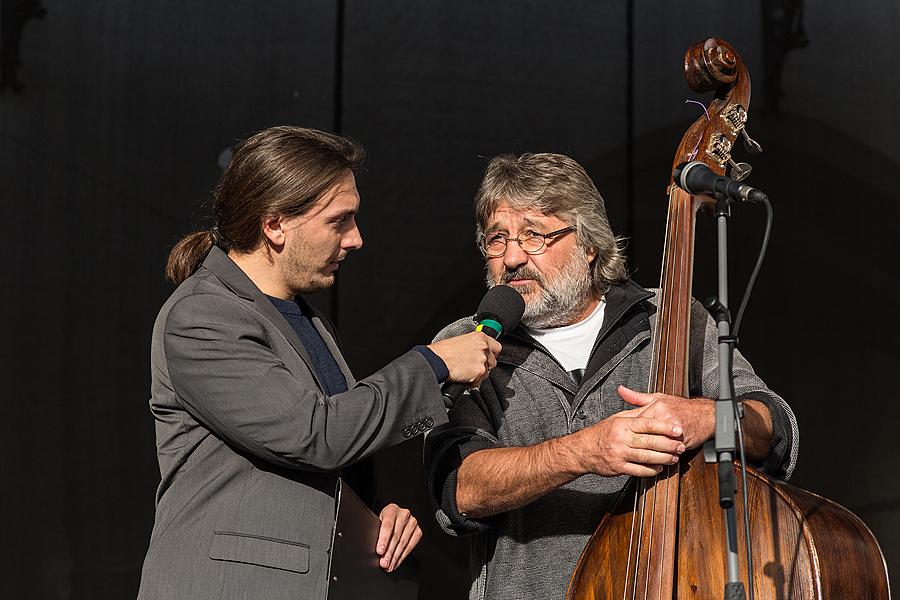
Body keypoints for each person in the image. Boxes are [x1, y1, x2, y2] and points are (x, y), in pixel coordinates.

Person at [137, 126, 501, 600]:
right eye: (339, 221)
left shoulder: (306, 320)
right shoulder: (203, 315)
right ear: (274, 225)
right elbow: (314, 435)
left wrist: (375, 518)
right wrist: (431, 364)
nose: (356, 239)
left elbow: (327, 459)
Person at [423, 153, 799, 600]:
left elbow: (775, 428)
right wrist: (584, 451)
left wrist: (707, 417)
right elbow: (460, 491)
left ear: (588, 245)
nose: (512, 257)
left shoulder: (670, 319)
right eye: (496, 239)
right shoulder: (466, 342)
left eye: (535, 236)